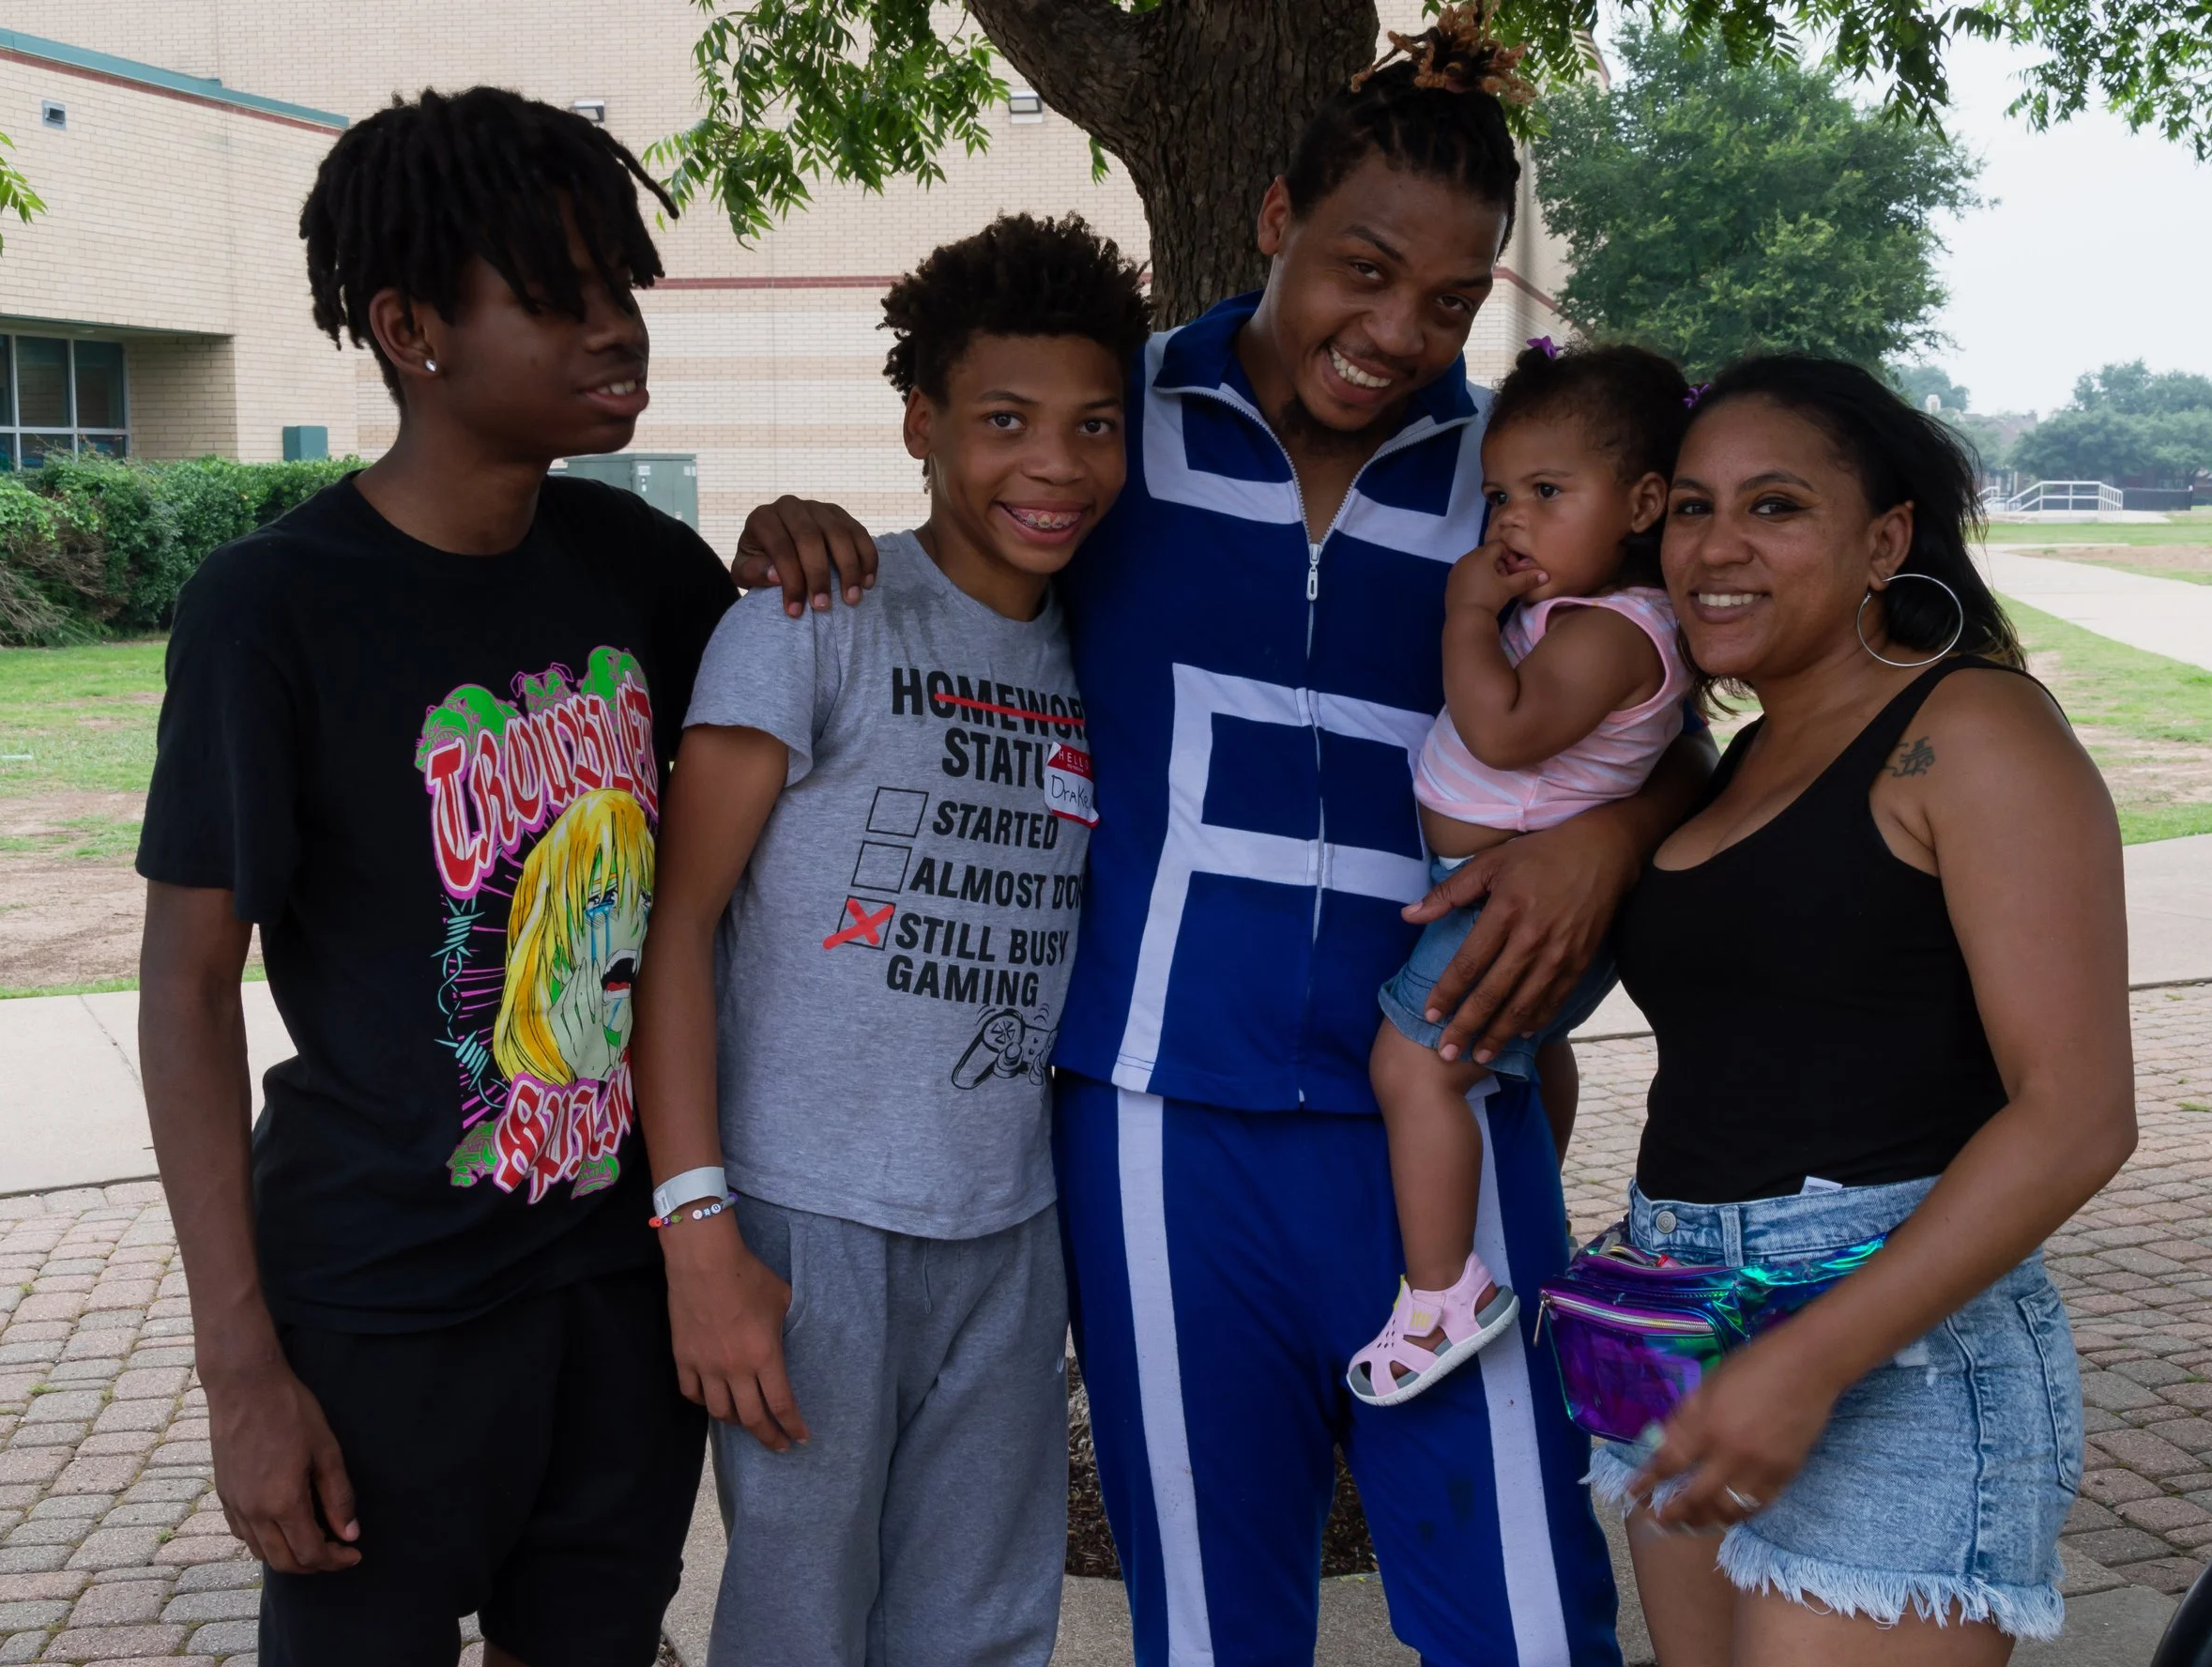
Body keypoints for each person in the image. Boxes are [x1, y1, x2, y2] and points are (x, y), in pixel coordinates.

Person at [732, 15, 1714, 1662]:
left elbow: (1675, 727)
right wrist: (797, 522)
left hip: (1443, 1114)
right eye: (1360, 268)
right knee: (1212, 1617)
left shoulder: (1514, 484)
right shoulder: (1116, 424)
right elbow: (960, 552)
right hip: (1156, 1128)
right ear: (1273, 220)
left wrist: (1614, 842)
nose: (1397, 331)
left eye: (1452, 302)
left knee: (1528, 1615)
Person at [134, 87, 732, 1667]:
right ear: (409, 328)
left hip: (612, 1291)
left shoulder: (651, 574)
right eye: (562, 296)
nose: (620, 330)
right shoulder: (272, 609)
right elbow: (187, 985)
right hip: (379, 1307)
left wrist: (818, 543)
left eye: (624, 285)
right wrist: (241, 1369)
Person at [633, 213, 1150, 1666]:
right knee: (803, 1621)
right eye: (1004, 421)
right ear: (921, 422)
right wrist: (699, 1233)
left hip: (1011, 1218)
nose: (1053, 464)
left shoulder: (1106, 648)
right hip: (806, 1225)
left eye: (1093, 425)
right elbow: (677, 930)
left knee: (984, 1627)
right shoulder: (817, 616)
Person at [1604, 356, 2134, 1664]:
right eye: (1691, 508)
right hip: (1681, 1303)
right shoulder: (1741, 755)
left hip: (1891, 1344)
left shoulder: (1972, 731)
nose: (1717, 547)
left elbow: (2078, 1118)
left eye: (1776, 507)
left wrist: (1808, 1359)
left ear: (1884, 541)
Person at [1350, 341, 1694, 1408]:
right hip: (1504, 878)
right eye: (1500, 493)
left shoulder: (1607, 632)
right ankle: (1524, 1179)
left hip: (1512, 893)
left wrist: (1463, 612)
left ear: (1640, 503)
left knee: (1413, 1069)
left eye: (1549, 493)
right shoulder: (1578, 616)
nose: (1510, 520)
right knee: (1528, 1052)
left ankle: (1443, 1291)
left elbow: (1501, 733)